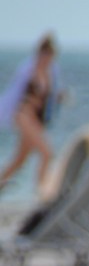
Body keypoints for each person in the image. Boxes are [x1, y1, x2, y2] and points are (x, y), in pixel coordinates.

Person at [0, 34, 64, 195]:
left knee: (20, 160)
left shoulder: (50, 73)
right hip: (25, 116)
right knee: (47, 154)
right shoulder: (30, 71)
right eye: (45, 54)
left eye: (50, 55)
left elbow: (46, 99)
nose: (47, 58)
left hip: (35, 119)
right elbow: (22, 95)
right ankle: (42, 194)